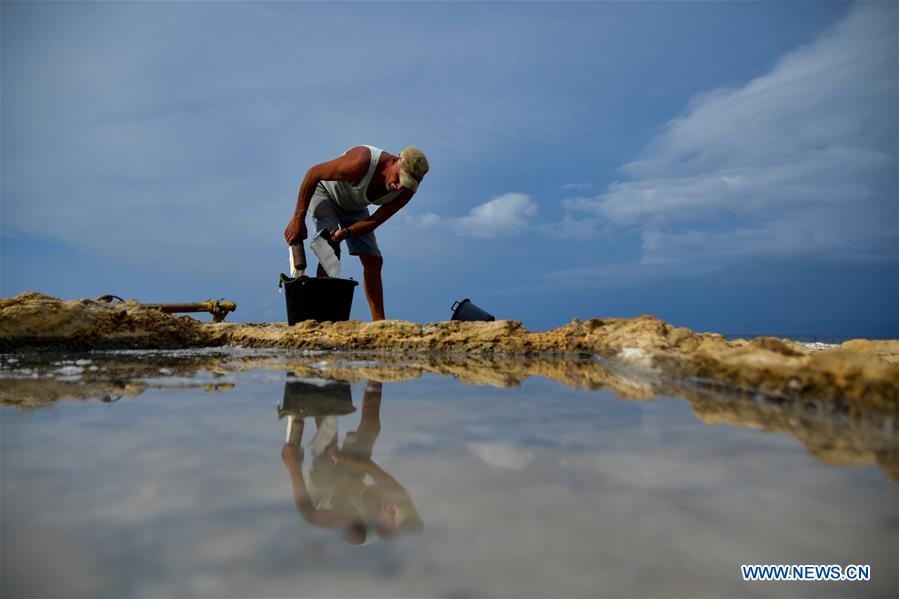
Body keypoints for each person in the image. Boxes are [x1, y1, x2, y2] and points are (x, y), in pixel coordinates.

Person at [284, 145, 430, 321]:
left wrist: (345, 233)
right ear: (393, 161)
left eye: (405, 183)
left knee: (374, 261)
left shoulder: (405, 191)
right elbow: (313, 173)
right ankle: (318, 318)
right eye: (400, 178)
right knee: (329, 250)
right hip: (325, 194)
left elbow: (374, 221)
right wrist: (298, 220)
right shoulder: (362, 161)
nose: (399, 186)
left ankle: (379, 323)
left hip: (354, 208)